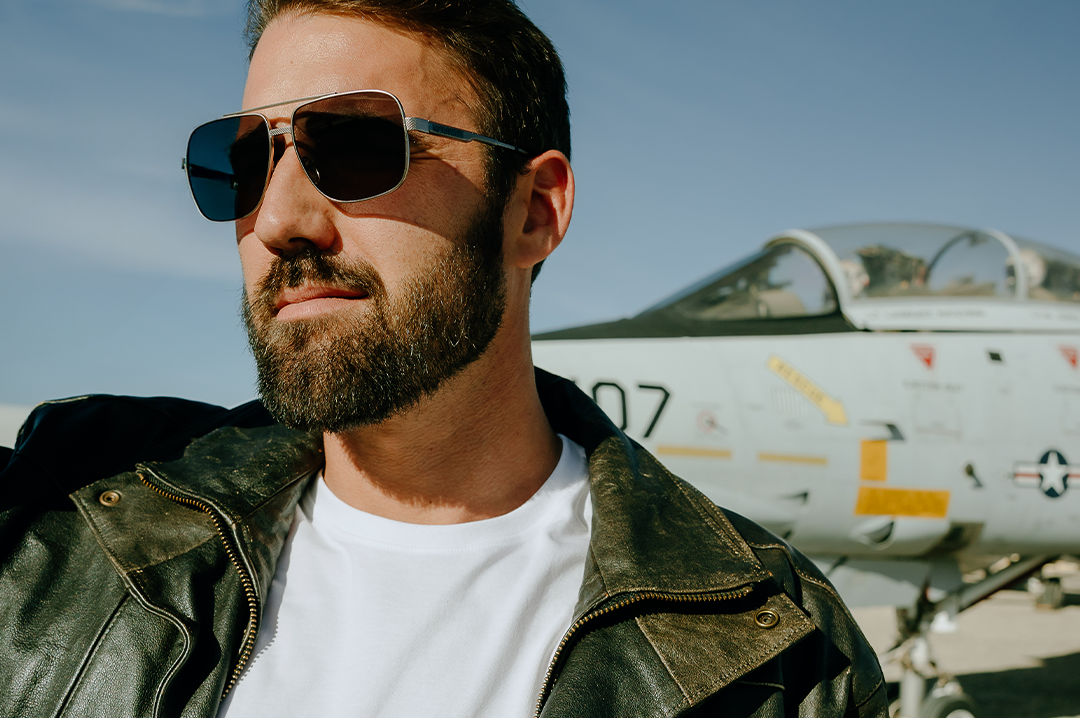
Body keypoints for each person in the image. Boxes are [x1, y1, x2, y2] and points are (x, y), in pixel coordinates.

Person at [0, 1, 886, 716]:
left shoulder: (786, 655)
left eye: (355, 147)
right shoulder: (55, 544)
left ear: (534, 211)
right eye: (241, 163)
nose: (276, 221)